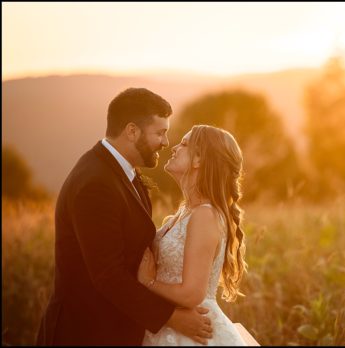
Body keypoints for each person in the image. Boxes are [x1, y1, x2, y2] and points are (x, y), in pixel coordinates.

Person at [36, 88, 213, 345]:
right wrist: (171, 317)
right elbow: (108, 274)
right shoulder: (96, 183)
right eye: (160, 132)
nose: (165, 142)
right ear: (132, 131)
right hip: (85, 332)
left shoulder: (119, 173)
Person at [138, 125, 248, 345]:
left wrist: (148, 283)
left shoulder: (204, 216)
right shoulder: (184, 213)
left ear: (199, 160)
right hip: (168, 327)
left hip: (192, 332)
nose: (174, 147)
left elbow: (192, 294)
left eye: (185, 144)